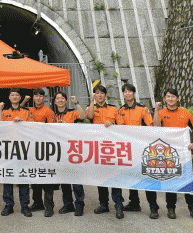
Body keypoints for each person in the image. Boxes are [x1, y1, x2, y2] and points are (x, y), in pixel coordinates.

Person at [153, 88, 193, 221]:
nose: (170, 99)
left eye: (173, 96)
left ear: (177, 98)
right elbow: (156, 127)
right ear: (165, 99)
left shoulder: (186, 113)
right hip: (168, 153)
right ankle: (171, 208)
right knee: (171, 180)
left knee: (187, 179)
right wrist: (156, 110)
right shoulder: (161, 113)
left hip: (183, 152)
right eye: (168, 96)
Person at [117, 83, 160, 219]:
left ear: (134, 93)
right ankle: (134, 203)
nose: (127, 94)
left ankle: (153, 206)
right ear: (123, 94)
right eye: (125, 92)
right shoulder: (121, 110)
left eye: (130, 91)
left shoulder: (143, 109)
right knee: (131, 175)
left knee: (146, 177)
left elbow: (150, 126)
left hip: (142, 148)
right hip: (128, 149)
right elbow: (120, 128)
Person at [86, 84, 125, 219]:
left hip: (112, 148)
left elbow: (122, 125)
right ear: (94, 95)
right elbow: (89, 116)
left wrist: (113, 125)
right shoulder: (91, 107)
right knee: (101, 177)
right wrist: (92, 101)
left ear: (105, 95)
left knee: (114, 177)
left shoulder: (114, 109)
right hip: (98, 148)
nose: (100, 95)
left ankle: (118, 205)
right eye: (97, 93)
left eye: (102, 93)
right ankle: (104, 204)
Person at [49, 91, 86, 216]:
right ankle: (68, 204)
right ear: (55, 101)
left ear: (66, 100)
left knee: (76, 179)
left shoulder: (72, 112)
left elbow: (83, 116)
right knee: (64, 179)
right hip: (60, 150)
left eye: (62, 98)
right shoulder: (53, 115)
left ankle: (79, 205)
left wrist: (76, 103)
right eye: (57, 98)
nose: (60, 100)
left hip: (72, 150)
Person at [0, 88, 33, 217]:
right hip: (7, 148)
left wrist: (23, 123)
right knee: (8, 176)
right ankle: (9, 205)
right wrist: (0, 110)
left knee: (23, 177)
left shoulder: (26, 112)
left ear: (20, 98)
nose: (14, 97)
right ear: (9, 97)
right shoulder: (4, 112)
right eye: (12, 95)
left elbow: (33, 127)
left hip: (23, 148)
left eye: (17, 95)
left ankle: (25, 205)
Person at [26, 89, 55, 215]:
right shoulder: (28, 110)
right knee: (35, 176)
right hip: (32, 147)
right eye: (36, 96)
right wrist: (24, 101)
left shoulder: (48, 111)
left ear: (44, 98)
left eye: (41, 96)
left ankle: (49, 206)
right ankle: (37, 202)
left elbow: (52, 129)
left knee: (46, 177)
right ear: (33, 97)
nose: (38, 98)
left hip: (45, 147)